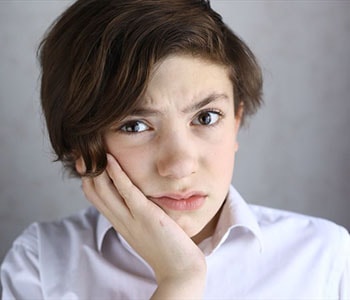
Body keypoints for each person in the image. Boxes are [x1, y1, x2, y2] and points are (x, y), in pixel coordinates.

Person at [1, 0, 349, 298]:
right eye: (135, 125)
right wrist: (179, 280)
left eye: (207, 117)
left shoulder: (325, 259)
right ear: (82, 145)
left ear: (236, 119)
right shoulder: (43, 264)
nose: (180, 165)